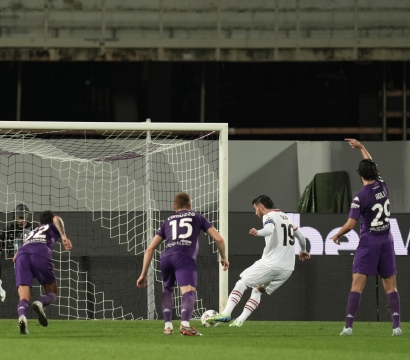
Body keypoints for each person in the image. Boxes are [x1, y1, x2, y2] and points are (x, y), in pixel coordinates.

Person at [330, 139, 401, 336]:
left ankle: (348, 327)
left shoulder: (360, 197)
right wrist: (361, 148)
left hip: (369, 243)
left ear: (361, 176)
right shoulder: (382, 186)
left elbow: (351, 224)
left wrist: (337, 235)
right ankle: (396, 327)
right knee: (391, 287)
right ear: (373, 173)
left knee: (357, 286)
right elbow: (371, 164)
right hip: (387, 241)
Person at [208, 195, 310, 327]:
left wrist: (258, 232)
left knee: (242, 282)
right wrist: (303, 250)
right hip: (288, 269)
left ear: (261, 207)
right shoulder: (287, 217)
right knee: (257, 290)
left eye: (255, 209)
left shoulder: (269, 216)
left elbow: (269, 229)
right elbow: (301, 237)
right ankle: (239, 321)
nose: (256, 213)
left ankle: (226, 313)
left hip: (272, 264)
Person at [137, 192, 229, 336]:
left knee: (168, 288)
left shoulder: (167, 220)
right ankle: (185, 325)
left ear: (174, 207)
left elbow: (150, 248)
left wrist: (143, 274)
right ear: (190, 206)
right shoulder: (197, 217)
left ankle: (168, 326)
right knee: (188, 291)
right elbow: (219, 239)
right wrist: (223, 257)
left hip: (166, 257)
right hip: (184, 257)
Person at [14, 210, 72, 335]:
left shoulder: (33, 232)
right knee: (52, 292)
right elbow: (57, 218)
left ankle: (22, 317)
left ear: (39, 223)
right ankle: (40, 303)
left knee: (24, 297)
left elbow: (15, 257)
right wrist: (63, 237)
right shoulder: (52, 225)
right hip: (41, 253)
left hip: (21, 256)